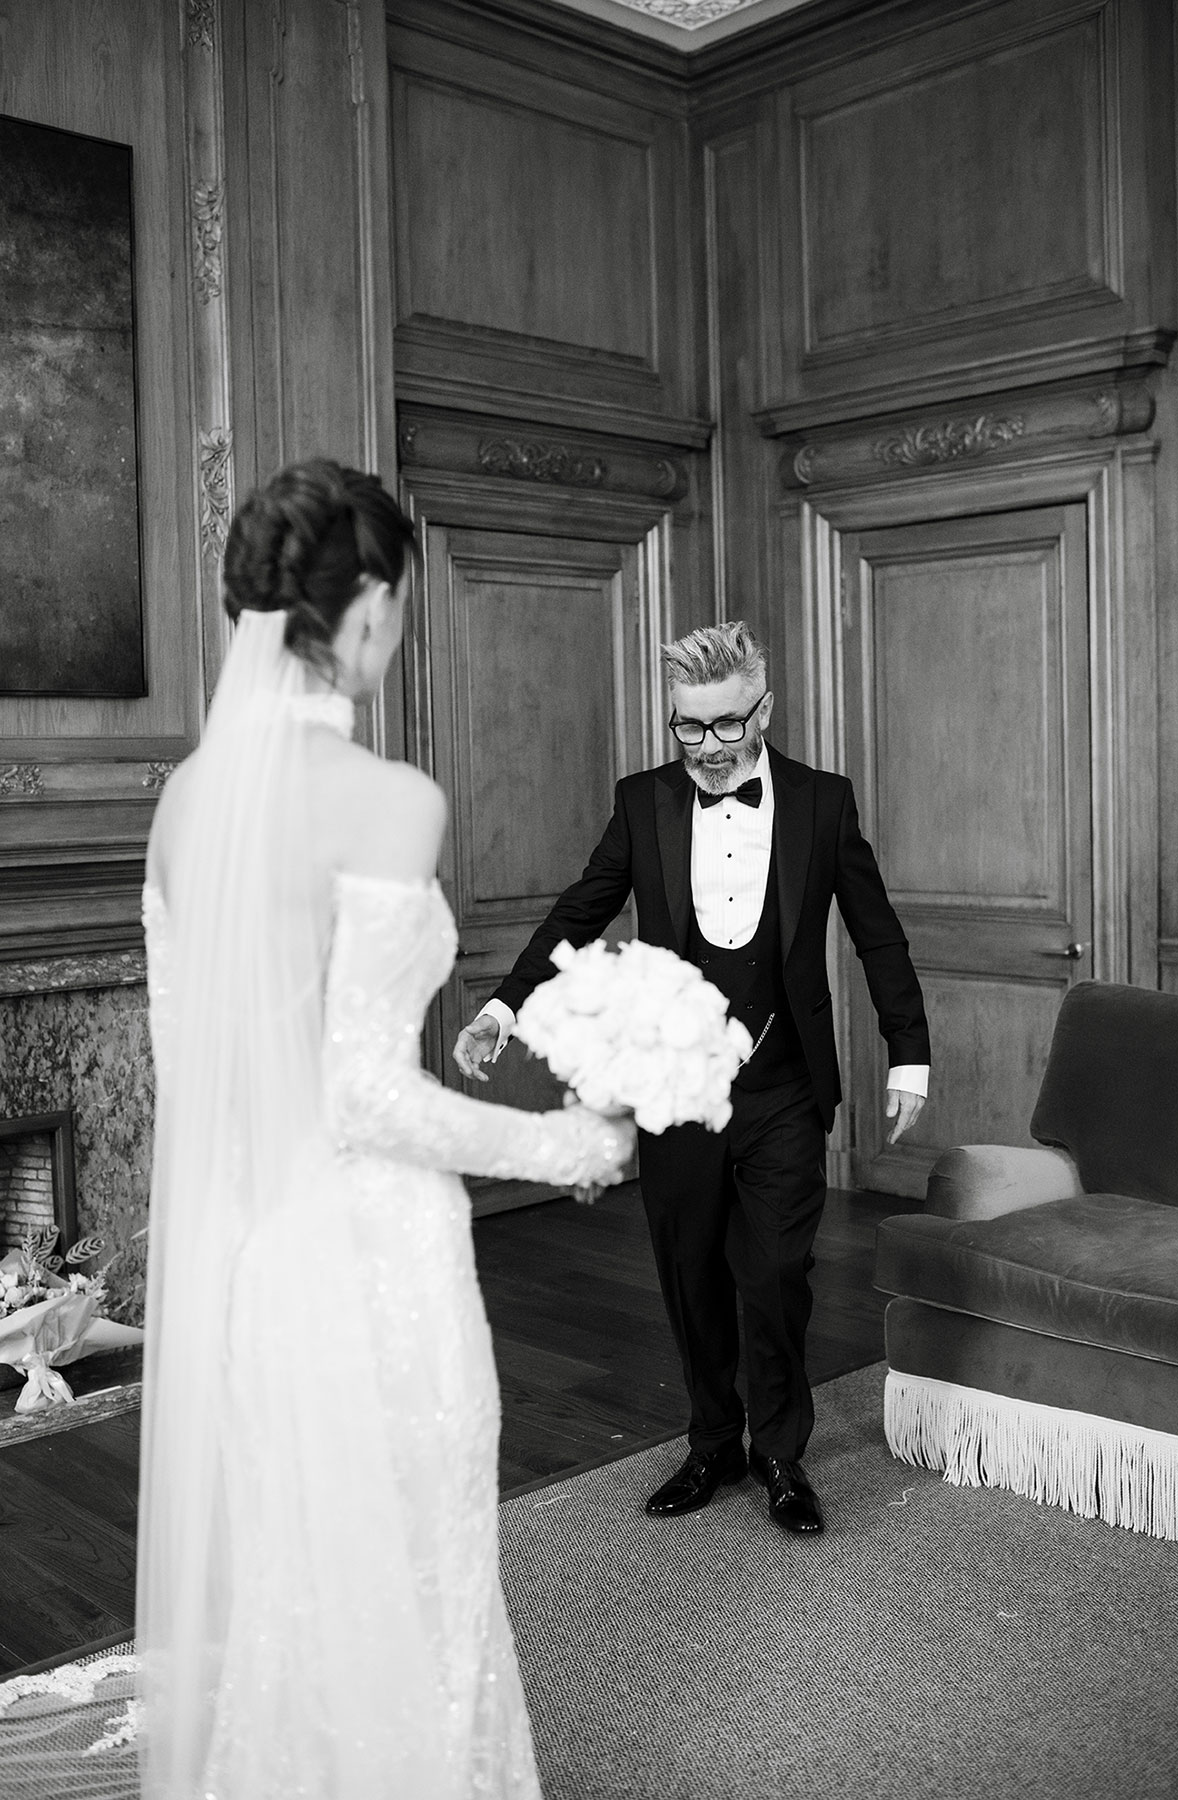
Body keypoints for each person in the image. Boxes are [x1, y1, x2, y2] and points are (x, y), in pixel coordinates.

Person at [138, 459, 633, 1800]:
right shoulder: (394, 799)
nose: (397, 634)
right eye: (400, 606)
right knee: (427, 1580)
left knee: (298, 1594)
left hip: (257, 1263)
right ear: (365, 608)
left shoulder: (185, 805)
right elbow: (367, 1098)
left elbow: (197, 1074)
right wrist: (570, 1144)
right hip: (379, 1263)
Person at [455, 621, 929, 1537]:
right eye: (687, 727)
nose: (707, 747)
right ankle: (712, 1440)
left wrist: (908, 1051)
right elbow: (581, 910)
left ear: (765, 710)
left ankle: (780, 1452)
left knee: (776, 1269)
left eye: (725, 725)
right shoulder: (645, 802)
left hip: (784, 1084)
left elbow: (878, 933)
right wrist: (501, 1010)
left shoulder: (822, 802)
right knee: (689, 1270)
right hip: (676, 1087)